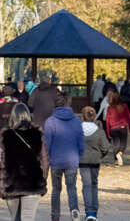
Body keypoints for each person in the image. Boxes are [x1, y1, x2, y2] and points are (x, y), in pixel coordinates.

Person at [0, 103, 49, 221]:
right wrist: (42, 179)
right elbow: (45, 162)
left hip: (11, 185)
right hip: (33, 184)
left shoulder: (5, 137)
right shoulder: (38, 136)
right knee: (28, 218)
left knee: (15, 218)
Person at [43, 93, 86, 221]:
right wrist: (79, 155)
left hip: (56, 160)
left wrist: (48, 158)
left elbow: (47, 143)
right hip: (72, 160)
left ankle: (55, 216)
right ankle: (74, 211)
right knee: (72, 188)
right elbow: (81, 142)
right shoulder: (76, 121)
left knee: (56, 190)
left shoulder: (50, 121)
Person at [78, 106, 110, 221]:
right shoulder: (99, 131)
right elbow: (106, 147)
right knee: (94, 185)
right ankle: (94, 212)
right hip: (95, 161)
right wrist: (100, 156)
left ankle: (89, 212)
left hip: (82, 162)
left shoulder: (78, 130)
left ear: (83, 116)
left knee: (86, 186)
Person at [105, 90, 130, 166]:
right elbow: (128, 118)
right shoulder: (124, 106)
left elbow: (107, 121)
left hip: (113, 128)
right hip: (123, 127)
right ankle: (120, 153)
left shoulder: (109, 108)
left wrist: (108, 132)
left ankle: (116, 160)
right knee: (123, 143)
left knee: (115, 143)